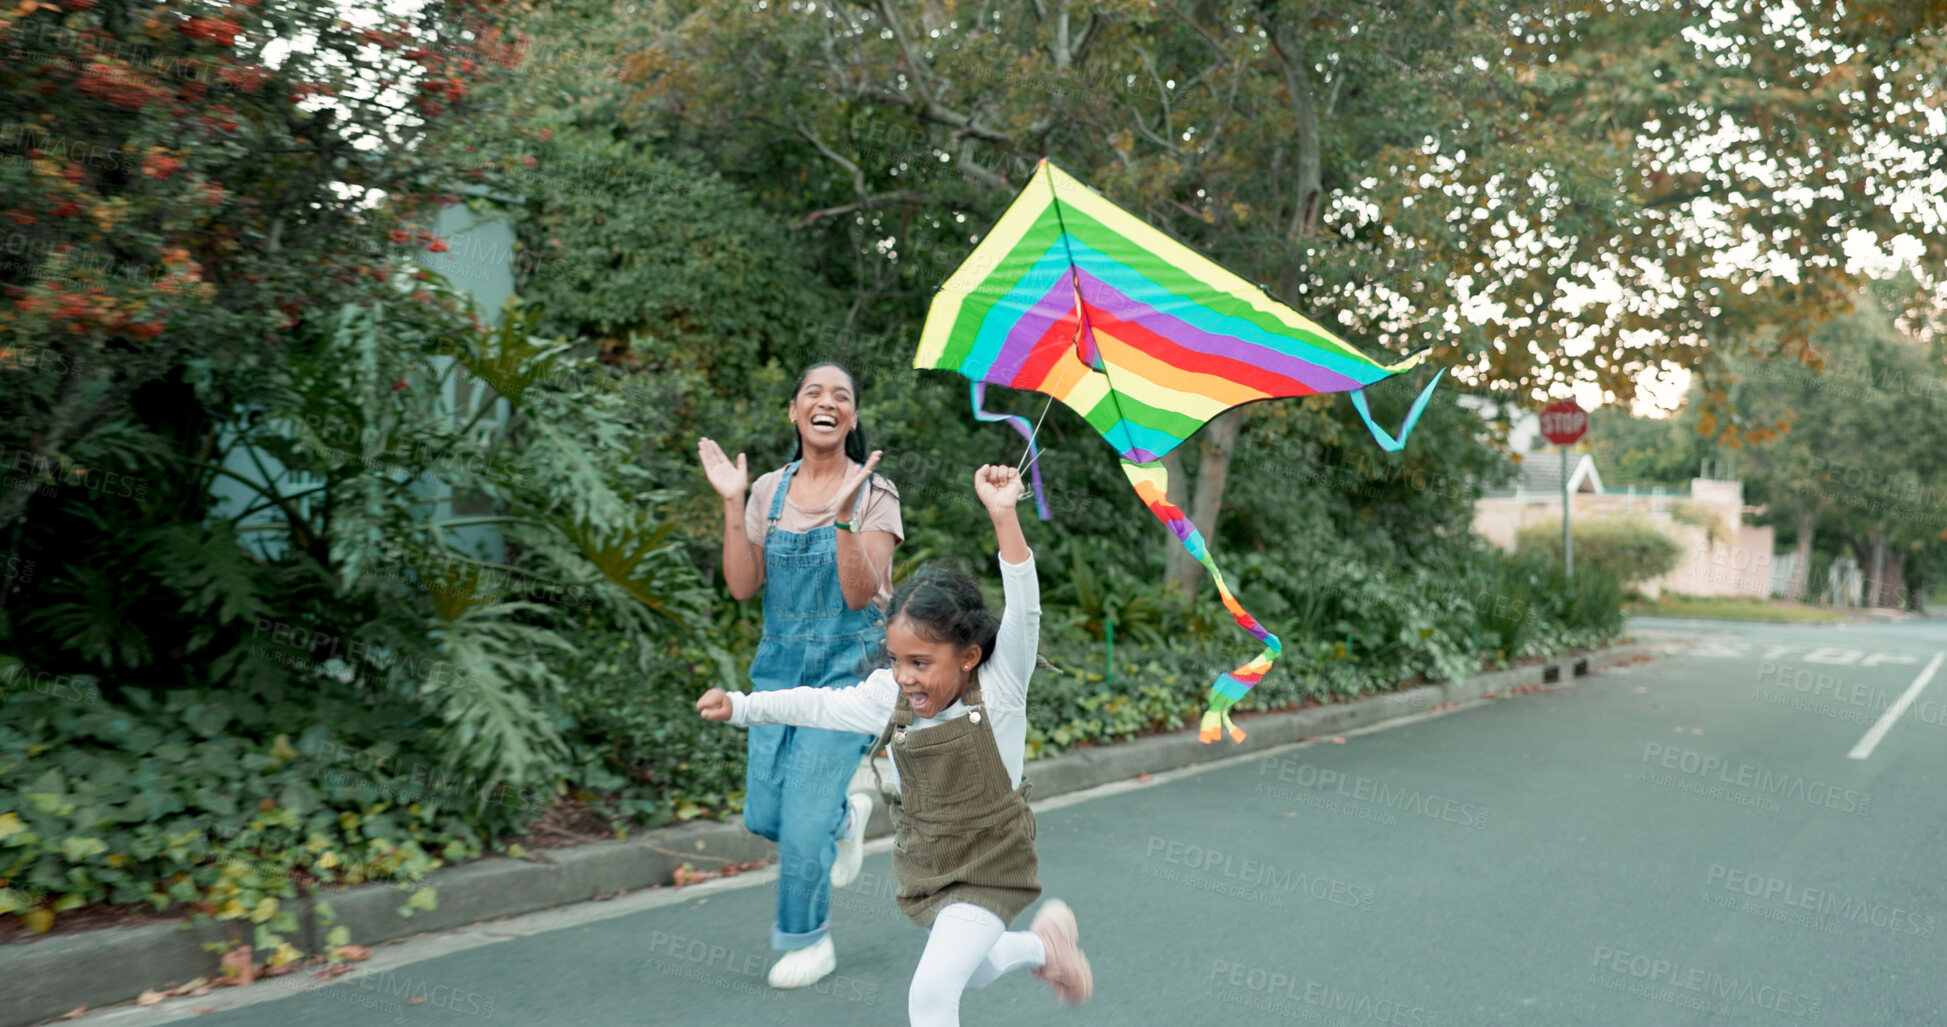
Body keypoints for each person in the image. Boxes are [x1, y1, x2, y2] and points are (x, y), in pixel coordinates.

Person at [696, 464, 1094, 1026]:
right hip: (929, 864)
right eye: (896, 659)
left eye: (921, 663)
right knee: (975, 967)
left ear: (969, 656)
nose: (904, 675)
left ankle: (1039, 946)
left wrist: (1003, 515)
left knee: (931, 995)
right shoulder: (890, 695)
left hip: (991, 862)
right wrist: (741, 706)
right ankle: (1042, 947)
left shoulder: (1002, 685)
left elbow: (1023, 603)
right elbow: (817, 705)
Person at [696, 362, 901, 988]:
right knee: (765, 816)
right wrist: (732, 501)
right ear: (794, 412)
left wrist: (842, 519)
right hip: (780, 675)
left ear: (853, 419)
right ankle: (845, 819)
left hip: (849, 678)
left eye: (842, 396)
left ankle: (809, 940)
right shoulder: (767, 491)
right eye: (814, 392)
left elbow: (863, 592)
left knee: (802, 822)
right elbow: (740, 586)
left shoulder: (875, 492)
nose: (827, 402)